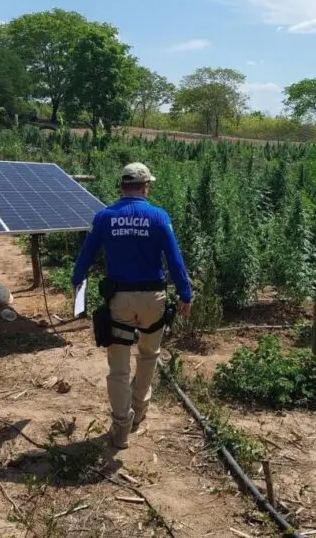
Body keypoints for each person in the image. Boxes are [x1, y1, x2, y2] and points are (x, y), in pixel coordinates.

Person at [71, 162, 192, 449]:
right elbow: (175, 261)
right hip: (154, 300)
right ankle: (140, 410)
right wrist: (185, 294)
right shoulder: (159, 216)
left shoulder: (104, 217)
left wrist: (77, 280)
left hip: (120, 300)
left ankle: (121, 428)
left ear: (121, 186)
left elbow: (85, 256)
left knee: (119, 368)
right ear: (146, 186)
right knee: (149, 354)